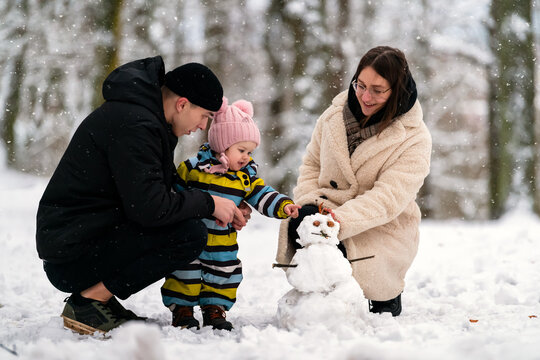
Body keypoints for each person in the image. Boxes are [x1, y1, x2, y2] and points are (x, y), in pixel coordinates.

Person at [36, 56, 251, 335]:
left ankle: (100, 299)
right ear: (182, 104)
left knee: (186, 225)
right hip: (70, 256)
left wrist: (223, 203)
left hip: (78, 243)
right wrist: (209, 203)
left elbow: (164, 189)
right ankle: (89, 301)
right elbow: (150, 207)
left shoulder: (145, 119)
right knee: (187, 235)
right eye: (204, 117)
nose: (202, 127)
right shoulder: (136, 125)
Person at [276, 46, 432, 317]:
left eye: (377, 89)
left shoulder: (414, 137)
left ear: (396, 90)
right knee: (308, 230)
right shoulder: (332, 116)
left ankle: (385, 294)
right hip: (327, 206)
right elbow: (311, 165)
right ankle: (315, 305)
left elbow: (388, 198)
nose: (365, 96)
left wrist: (337, 221)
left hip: (382, 224)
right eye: (360, 85)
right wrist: (309, 206)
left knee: (336, 243)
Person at [160, 97, 301, 330]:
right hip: (190, 236)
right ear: (222, 144)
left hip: (223, 240)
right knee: (185, 271)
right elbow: (176, 193)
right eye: (241, 150)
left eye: (250, 151)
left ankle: (215, 309)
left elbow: (262, 194)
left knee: (224, 273)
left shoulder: (244, 177)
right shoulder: (194, 168)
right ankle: (182, 309)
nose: (246, 157)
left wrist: (283, 205)